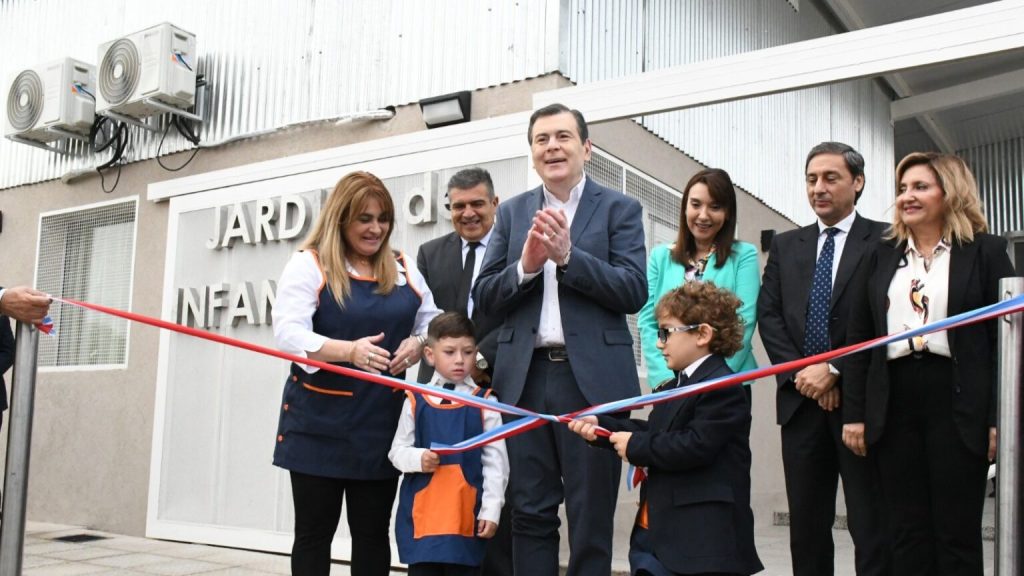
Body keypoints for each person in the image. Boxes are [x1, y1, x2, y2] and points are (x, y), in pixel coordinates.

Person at [473, 103, 647, 576]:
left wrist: (570, 259)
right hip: (524, 381)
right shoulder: (510, 214)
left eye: (563, 137)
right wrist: (526, 267)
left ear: (586, 148)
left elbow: (634, 290)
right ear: (531, 154)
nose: (552, 146)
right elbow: (484, 297)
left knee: (591, 517)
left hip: (591, 382)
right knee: (529, 511)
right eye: (541, 139)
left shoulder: (619, 209)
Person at [842, 152, 1016, 576]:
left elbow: (1002, 342)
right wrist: (856, 413)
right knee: (905, 532)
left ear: (949, 192)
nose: (907, 197)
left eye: (920, 187)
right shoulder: (880, 254)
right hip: (895, 398)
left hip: (957, 400)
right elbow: (859, 338)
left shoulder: (987, 252)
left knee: (957, 533)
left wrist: (997, 418)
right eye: (903, 189)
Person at [272, 170, 441, 576]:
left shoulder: (403, 266)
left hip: (379, 425)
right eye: (364, 218)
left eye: (383, 218)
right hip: (318, 425)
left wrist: (418, 345)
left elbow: (432, 323)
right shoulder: (308, 265)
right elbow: (288, 334)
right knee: (314, 534)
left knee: (371, 534)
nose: (376, 228)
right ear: (341, 218)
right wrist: (348, 351)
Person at [756, 142, 889, 576]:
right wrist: (804, 374)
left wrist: (834, 371)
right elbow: (769, 315)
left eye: (831, 178)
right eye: (812, 179)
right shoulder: (788, 245)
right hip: (801, 405)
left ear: (858, 182)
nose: (819, 188)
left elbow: (886, 319)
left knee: (871, 525)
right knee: (808, 529)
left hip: (861, 406)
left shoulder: (885, 241)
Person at [570, 281, 763, 576]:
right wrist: (603, 429)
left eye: (666, 332)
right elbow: (658, 432)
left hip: (700, 544)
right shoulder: (676, 385)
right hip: (658, 536)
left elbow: (695, 445)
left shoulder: (723, 387)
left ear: (702, 334)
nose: (659, 343)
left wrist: (636, 446)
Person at [415, 167, 513, 575]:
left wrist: (479, 362)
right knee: (442, 490)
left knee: (494, 483)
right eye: (458, 206)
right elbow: (426, 320)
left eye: (477, 204)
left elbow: (517, 315)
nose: (468, 213)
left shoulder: (515, 250)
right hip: (439, 395)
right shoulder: (429, 253)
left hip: (499, 383)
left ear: (494, 204)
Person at [389, 312, 510, 576]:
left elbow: (496, 464)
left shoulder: (486, 402)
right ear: (430, 355)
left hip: (465, 518)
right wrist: (418, 458)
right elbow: (396, 452)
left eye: (467, 352)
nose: (459, 360)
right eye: (450, 352)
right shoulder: (414, 399)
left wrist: (491, 510)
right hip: (424, 520)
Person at [638, 168, 759, 389]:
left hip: (724, 383)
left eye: (715, 207)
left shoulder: (744, 256)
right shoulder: (660, 257)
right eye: (696, 205)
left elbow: (745, 321)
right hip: (670, 385)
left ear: (728, 212)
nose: (703, 215)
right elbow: (647, 321)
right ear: (685, 208)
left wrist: (709, 381)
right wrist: (666, 380)